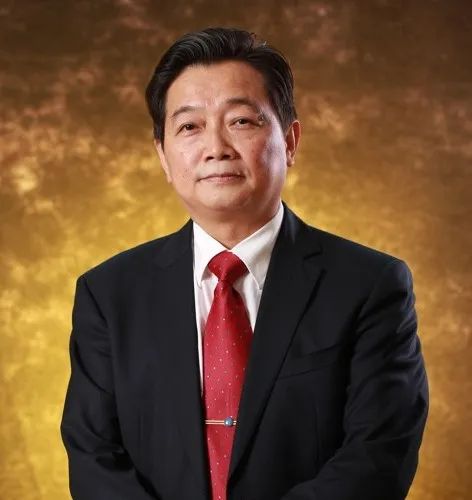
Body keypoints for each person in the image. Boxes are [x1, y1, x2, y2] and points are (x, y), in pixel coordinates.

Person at [60, 27, 429, 500]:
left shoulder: (369, 285)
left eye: (241, 121)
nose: (216, 147)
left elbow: (378, 456)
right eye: (189, 127)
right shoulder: (109, 294)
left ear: (290, 141)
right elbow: (94, 459)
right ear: (163, 156)